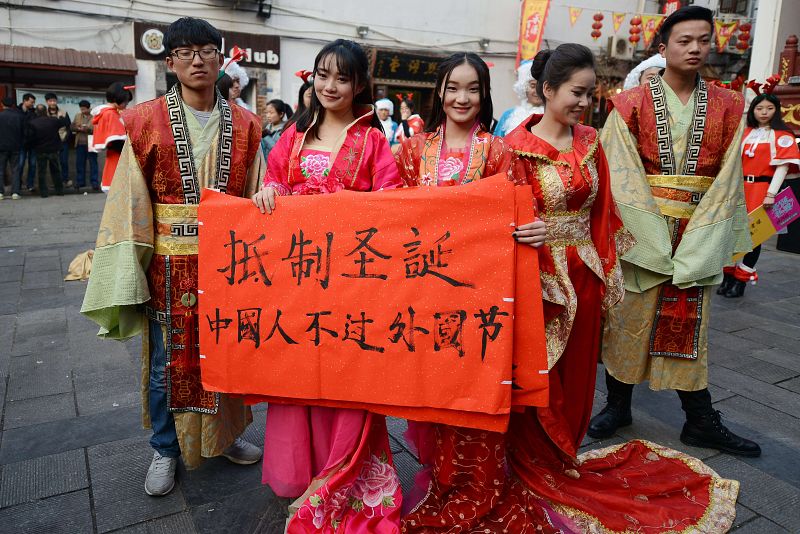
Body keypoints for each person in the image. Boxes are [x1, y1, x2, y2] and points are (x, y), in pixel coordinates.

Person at [81, 17, 264, 497]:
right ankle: (165, 448)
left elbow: (254, 192)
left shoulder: (247, 123)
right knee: (168, 362)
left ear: (220, 57)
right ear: (171, 62)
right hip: (168, 261)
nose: (198, 59)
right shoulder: (143, 120)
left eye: (207, 50)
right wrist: (129, 268)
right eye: (186, 52)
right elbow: (129, 201)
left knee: (227, 353)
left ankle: (223, 437)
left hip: (228, 261)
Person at [591, 6, 761, 458]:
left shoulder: (729, 104)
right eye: (684, 40)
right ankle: (618, 405)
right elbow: (617, 172)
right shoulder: (628, 105)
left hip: (699, 226)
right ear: (662, 48)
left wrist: (703, 237)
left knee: (689, 325)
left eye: (703, 40)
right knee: (628, 319)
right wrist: (648, 236)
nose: (695, 48)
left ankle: (700, 420)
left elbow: (728, 178)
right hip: (642, 227)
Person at [252, 38, 403, 532]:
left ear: (359, 85)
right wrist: (270, 190)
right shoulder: (294, 137)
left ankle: (341, 476)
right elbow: (273, 183)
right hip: (297, 281)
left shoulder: (374, 141)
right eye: (322, 75)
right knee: (297, 375)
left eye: (341, 77)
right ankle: (302, 473)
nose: (330, 86)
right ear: (311, 80)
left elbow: (395, 204)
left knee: (348, 379)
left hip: (352, 283)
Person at [719, 88, 800, 297]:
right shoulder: (744, 133)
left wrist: (771, 193)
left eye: (769, 108)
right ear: (753, 110)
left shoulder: (783, 136)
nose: (764, 112)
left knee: (753, 236)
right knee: (729, 233)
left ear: (777, 110)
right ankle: (727, 275)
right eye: (759, 108)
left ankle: (741, 280)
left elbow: (782, 167)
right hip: (737, 188)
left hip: (762, 190)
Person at [92, 82, 132, 192]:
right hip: (119, 156)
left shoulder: (109, 113)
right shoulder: (110, 114)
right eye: (126, 100)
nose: (127, 103)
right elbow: (117, 142)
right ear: (117, 98)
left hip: (116, 156)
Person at [27, 104, 70, 198]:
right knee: (56, 171)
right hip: (53, 149)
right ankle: (59, 191)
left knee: (41, 172)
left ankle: (44, 192)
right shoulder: (53, 121)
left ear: (36, 112)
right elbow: (66, 122)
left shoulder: (32, 123)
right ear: (46, 111)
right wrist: (62, 115)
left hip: (40, 150)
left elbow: (30, 137)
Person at [493, 59, 544, 137]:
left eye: (541, 86)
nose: (537, 91)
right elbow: (496, 143)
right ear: (524, 87)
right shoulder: (509, 115)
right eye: (533, 85)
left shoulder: (553, 116)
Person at [0, 97, 26, 200]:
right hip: (16, 146)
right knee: (15, 169)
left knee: (0, 170)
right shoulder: (19, 116)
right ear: (13, 105)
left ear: (2, 104)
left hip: (1, 147)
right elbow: (24, 132)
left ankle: (0, 193)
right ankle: (15, 192)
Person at [71, 100, 100, 192]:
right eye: (81, 109)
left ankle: (94, 182)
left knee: (93, 163)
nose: (82, 111)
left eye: (84, 109)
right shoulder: (77, 116)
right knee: (80, 164)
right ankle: (80, 182)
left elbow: (98, 128)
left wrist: (87, 129)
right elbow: (72, 126)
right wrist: (77, 128)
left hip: (91, 143)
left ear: (88, 108)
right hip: (80, 143)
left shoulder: (95, 116)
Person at [45, 92, 71, 187]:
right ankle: (55, 182)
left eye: (54, 100)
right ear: (47, 102)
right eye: (50, 101)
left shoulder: (63, 112)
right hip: (50, 142)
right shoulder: (44, 113)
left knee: (64, 161)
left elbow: (69, 127)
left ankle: (65, 180)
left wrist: (65, 138)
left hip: (62, 141)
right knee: (53, 163)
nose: (52, 103)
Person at [17, 93, 37, 193]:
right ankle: (18, 184)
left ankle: (30, 184)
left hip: (33, 143)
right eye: (31, 102)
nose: (33, 104)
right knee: (20, 164)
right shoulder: (17, 111)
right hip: (21, 143)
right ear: (25, 101)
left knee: (32, 164)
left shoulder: (34, 113)